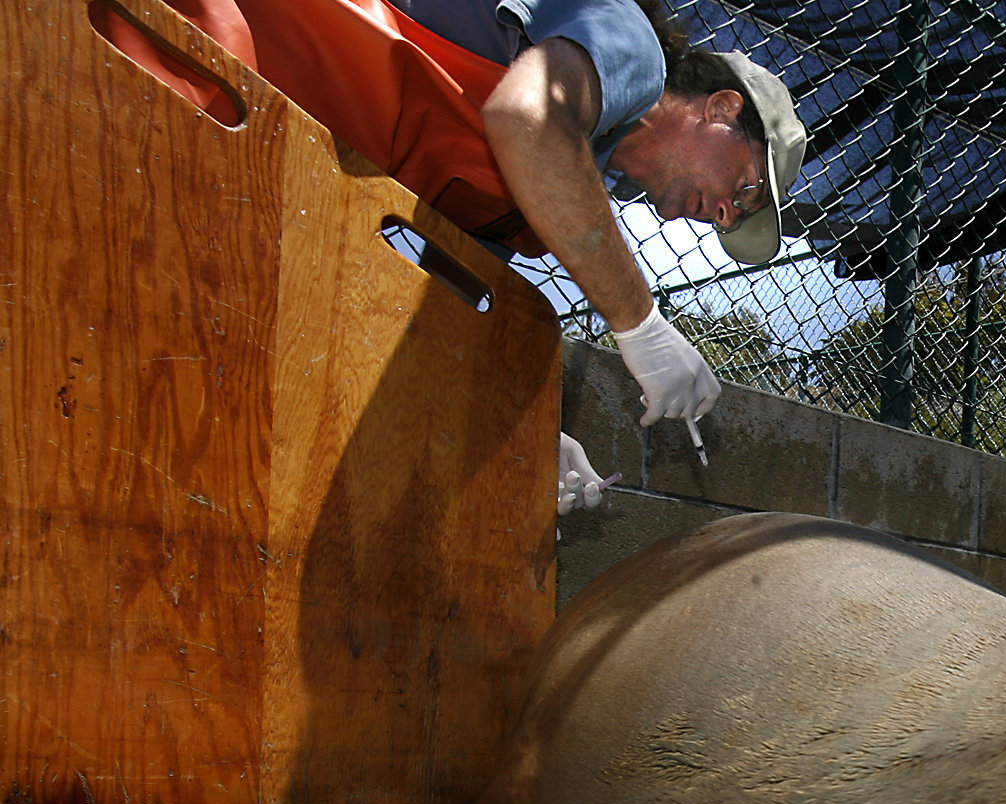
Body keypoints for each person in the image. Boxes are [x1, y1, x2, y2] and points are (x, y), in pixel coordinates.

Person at [106, 0, 807, 490]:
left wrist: (521, 442)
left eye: (728, 221)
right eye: (742, 190)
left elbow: (434, 312)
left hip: (241, 141)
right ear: (722, 107)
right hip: (196, 48)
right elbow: (527, 120)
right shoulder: (630, 48)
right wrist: (642, 326)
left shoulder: (542, 198)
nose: (718, 214)